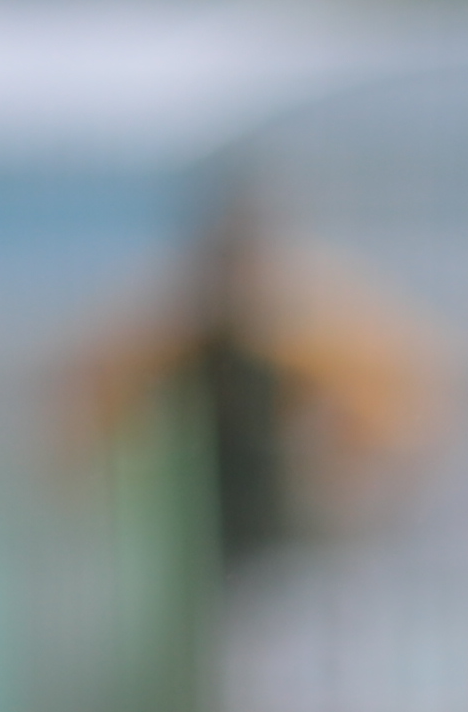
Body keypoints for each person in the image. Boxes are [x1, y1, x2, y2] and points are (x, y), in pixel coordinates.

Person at [60, 175, 443, 571]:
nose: (235, 281)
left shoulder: (310, 343)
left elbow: (401, 427)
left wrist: (346, 485)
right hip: (212, 549)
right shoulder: (181, 343)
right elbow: (88, 415)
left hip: (287, 551)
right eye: (226, 262)